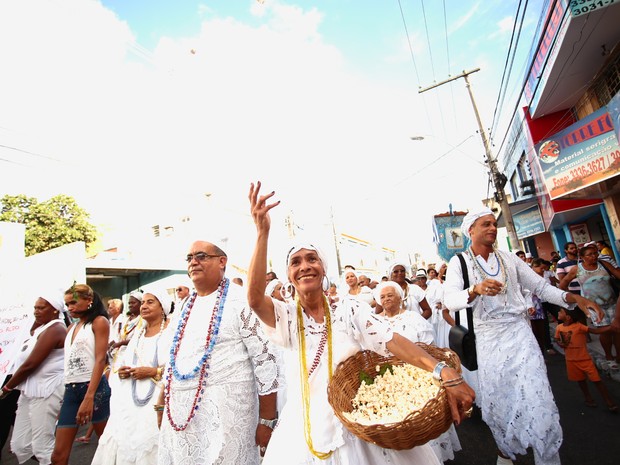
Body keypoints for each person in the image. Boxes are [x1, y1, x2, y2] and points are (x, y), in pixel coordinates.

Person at [247, 182, 475, 465]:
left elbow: (392, 341)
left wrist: (442, 371)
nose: (304, 266)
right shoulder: (288, 317)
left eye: (312, 259)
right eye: (295, 262)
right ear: (289, 275)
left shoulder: (348, 309)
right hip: (308, 426)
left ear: (323, 269)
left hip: (362, 416)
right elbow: (255, 299)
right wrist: (262, 232)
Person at [442, 208, 603, 465]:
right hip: (488, 341)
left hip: (520, 335)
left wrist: (574, 298)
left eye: (493, 223)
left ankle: (547, 456)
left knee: (538, 397)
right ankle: (505, 454)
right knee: (500, 403)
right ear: (470, 230)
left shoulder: (508, 258)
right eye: (485, 224)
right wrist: (475, 289)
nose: (492, 228)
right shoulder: (458, 262)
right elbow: (449, 300)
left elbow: (541, 287)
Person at [157, 238, 282, 465]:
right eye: (189, 258)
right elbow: (173, 359)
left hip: (229, 418)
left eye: (201, 256)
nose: (193, 262)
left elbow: (265, 361)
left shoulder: (242, 299)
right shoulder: (185, 305)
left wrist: (267, 420)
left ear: (222, 261)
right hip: (182, 418)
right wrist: (161, 404)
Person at [374, 281, 461, 464]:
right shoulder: (375, 322)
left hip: (418, 376)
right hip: (390, 379)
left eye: (390, 295)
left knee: (422, 421)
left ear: (400, 297)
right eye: (382, 297)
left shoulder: (414, 318)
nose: (386, 299)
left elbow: (430, 347)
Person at [92, 287, 172, 464]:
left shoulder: (172, 332)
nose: (144, 306)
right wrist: (122, 370)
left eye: (150, 302)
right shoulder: (139, 333)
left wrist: (154, 371)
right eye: (143, 303)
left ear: (162, 307)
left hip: (158, 399)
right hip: (131, 398)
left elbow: (179, 366)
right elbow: (125, 360)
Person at [1, 292, 67, 465]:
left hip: (46, 390)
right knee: (20, 445)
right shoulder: (41, 329)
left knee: (42, 446)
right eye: (35, 308)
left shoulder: (56, 329)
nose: (36, 311)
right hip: (29, 390)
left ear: (55, 310)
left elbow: (30, 364)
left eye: (41, 308)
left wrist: (6, 388)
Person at [51, 284, 111, 465]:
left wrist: (89, 397)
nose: (70, 308)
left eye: (74, 303)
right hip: (71, 390)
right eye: (67, 304)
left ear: (89, 301)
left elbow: (100, 360)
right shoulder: (71, 328)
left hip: (94, 389)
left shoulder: (99, 322)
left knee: (107, 445)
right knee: (58, 455)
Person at [558, 244, 620, 371]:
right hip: (594, 306)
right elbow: (563, 284)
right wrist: (576, 298)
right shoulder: (577, 269)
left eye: (595, 253)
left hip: (613, 302)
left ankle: (619, 356)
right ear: (582, 257)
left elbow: (616, 274)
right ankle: (609, 357)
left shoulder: (603, 264)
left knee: (617, 330)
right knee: (605, 331)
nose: (594, 256)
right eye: (590, 254)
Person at [555, 307, 617, 412]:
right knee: (580, 380)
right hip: (571, 360)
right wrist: (560, 343)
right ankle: (588, 398)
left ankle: (609, 401)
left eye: (561, 312)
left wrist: (610, 328)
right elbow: (557, 338)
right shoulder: (559, 328)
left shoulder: (579, 327)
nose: (558, 312)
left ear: (568, 317)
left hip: (584, 359)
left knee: (597, 380)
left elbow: (594, 331)